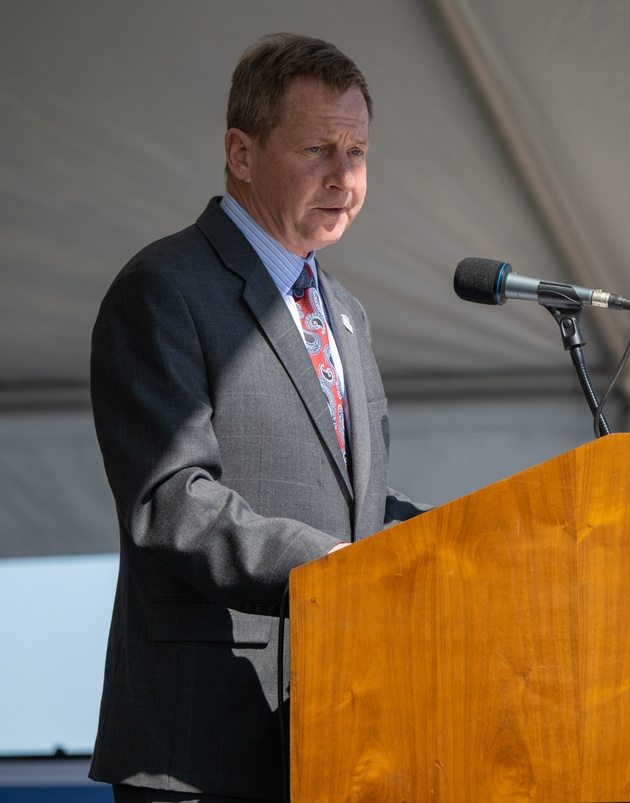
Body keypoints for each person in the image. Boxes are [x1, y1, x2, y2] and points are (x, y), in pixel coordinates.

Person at [88, 33, 427, 802]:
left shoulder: (345, 313)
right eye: (317, 149)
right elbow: (171, 501)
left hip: (340, 731)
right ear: (241, 154)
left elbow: (359, 507)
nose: (344, 176)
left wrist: (465, 538)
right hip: (201, 744)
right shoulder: (163, 288)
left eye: (358, 152)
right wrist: (329, 567)